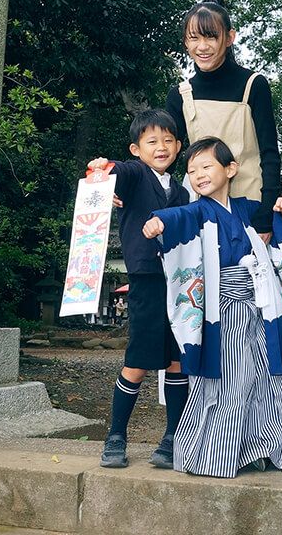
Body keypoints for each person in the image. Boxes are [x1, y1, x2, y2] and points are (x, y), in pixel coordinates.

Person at [165, 0, 282, 467]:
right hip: (199, 225)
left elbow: (270, 153)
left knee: (273, 321)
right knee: (199, 319)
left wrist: (265, 222)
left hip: (252, 219)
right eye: (193, 37)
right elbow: (165, 153)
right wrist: (122, 182)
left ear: (229, 37)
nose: (202, 46)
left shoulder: (254, 85)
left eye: (210, 36)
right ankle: (193, 430)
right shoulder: (182, 94)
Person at [142, 138, 282, 478]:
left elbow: (274, 226)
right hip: (222, 311)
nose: (198, 175)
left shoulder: (247, 209)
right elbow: (176, 218)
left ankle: (260, 446)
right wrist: (158, 223)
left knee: (264, 376)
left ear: (230, 169)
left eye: (206, 166)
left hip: (258, 307)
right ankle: (216, 454)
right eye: (192, 170)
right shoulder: (197, 211)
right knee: (228, 377)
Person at [87, 108, 189, 470]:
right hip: (146, 278)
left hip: (181, 282)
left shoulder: (181, 191)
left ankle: (174, 436)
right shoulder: (134, 175)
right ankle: (116, 435)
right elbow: (117, 172)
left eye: (167, 141)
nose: (160, 147)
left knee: (178, 361)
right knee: (138, 362)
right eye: (151, 142)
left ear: (178, 146)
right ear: (136, 149)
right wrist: (105, 168)